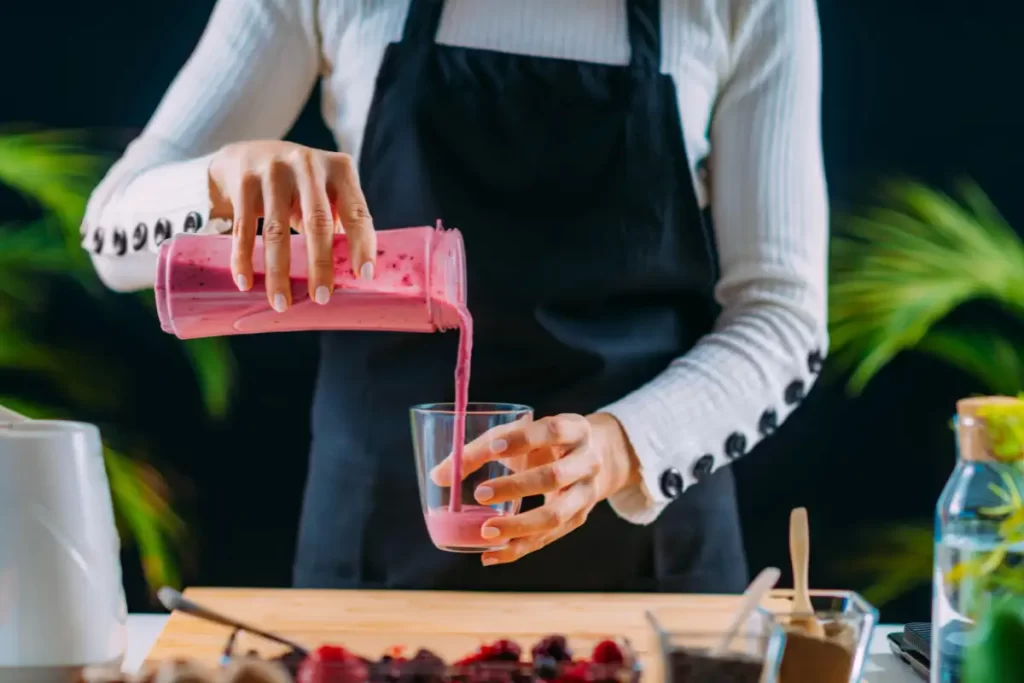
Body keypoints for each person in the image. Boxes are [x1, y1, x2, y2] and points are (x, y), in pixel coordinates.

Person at [83, 0, 827, 593]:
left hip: (649, 556)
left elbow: (784, 315)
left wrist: (618, 448)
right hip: (376, 546)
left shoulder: (744, 6)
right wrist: (216, 180)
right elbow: (112, 238)